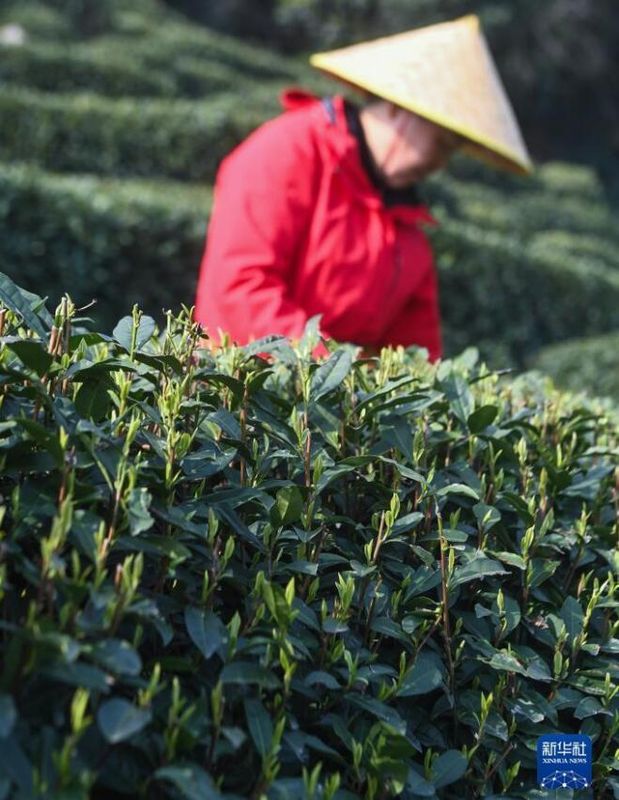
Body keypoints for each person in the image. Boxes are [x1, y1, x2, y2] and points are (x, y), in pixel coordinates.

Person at [195, 15, 532, 361]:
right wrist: (336, 369)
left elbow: (416, 352)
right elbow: (239, 288)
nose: (440, 163)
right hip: (240, 381)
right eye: (441, 144)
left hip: (327, 387)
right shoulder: (286, 152)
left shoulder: (407, 232)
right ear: (401, 108)